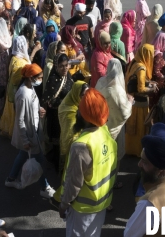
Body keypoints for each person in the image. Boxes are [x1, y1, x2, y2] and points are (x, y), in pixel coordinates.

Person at [58, 88, 117, 237]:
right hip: (101, 204)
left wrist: (64, 204)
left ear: (83, 115)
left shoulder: (81, 145)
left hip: (82, 210)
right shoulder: (105, 133)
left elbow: (74, 182)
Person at [5, 64, 56, 197]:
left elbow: (34, 103)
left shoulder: (30, 88)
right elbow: (20, 120)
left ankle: (10, 179)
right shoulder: (22, 94)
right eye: (39, 77)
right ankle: (44, 187)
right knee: (39, 160)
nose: (40, 80)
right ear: (30, 78)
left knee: (23, 155)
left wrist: (39, 110)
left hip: (34, 130)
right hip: (29, 134)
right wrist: (25, 140)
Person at [96, 59, 131, 172]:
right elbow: (124, 113)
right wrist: (130, 102)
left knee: (102, 155)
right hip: (115, 129)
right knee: (113, 155)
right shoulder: (117, 90)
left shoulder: (100, 82)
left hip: (101, 125)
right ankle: (112, 182)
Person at [125, 44, 158, 157]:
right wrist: (152, 88)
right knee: (140, 129)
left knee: (132, 129)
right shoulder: (142, 68)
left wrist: (149, 82)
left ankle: (130, 149)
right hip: (140, 104)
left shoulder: (134, 62)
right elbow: (141, 89)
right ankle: (139, 151)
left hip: (132, 101)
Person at [0, 36, 33, 137]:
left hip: (11, 89)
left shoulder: (14, 57)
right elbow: (17, 79)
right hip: (17, 91)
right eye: (26, 43)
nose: (27, 45)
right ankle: (16, 135)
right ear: (22, 45)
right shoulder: (20, 63)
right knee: (17, 113)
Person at [41, 53, 73, 156]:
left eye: (66, 65)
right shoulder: (53, 80)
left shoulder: (68, 75)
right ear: (56, 66)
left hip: (67, 115)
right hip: (56, 117)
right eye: (61, 66)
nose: (64, 68)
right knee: (57, 143)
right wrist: (66, 103)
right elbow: (50, 101)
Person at [58, 81, 89, 172]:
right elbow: (71, 135)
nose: (86, 97)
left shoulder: (76, 102)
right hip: (72, 146)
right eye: (83, 95)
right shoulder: (69, 111)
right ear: (76, 93)